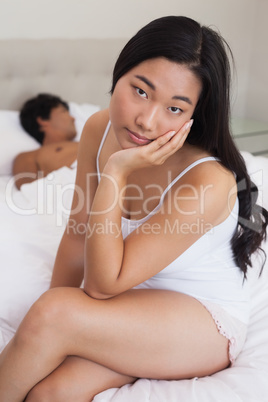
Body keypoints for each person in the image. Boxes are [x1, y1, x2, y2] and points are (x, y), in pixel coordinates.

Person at [0, 15, 267, 402]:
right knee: (50, 393)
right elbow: (78, 235)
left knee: (54, 315)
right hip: (133, 302)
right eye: (140, 91)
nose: (147, 120)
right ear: (119, 73)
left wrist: (116, 172)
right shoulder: (98, 128)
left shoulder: (207, 181)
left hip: (200, 320)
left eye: (175, 109)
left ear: (195, 115)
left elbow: (100, 285)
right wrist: (45, 330)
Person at [13, 93, 78, 189]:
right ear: (43, 120)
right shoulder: (29, 156)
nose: (73, 118)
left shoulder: (89, 141)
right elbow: (31, 190)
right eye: (64, 112)